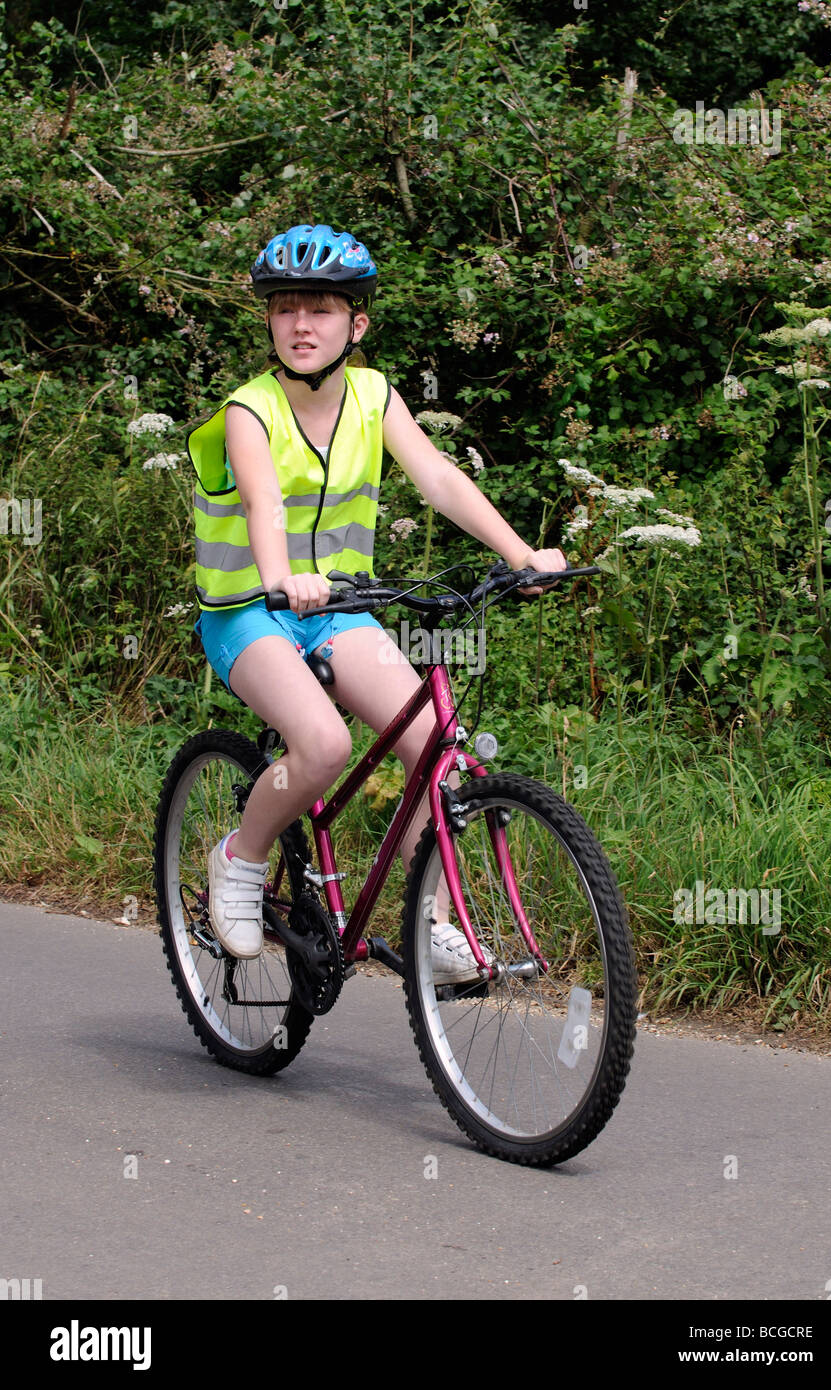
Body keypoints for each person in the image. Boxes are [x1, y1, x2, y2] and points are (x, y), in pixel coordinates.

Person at [187, 224, 565, 981]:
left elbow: (438, 478)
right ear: (268, 319)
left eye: (321, 309)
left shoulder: (373, 394)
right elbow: (264, 504)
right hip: (247, 610)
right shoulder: (247, 410)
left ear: (356, 325)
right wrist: (280, 575)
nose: (301, 325)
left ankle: (429, 924)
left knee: (438, 749)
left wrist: (520, 554)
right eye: (286, 308)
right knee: (322, 746)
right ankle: (241, 857)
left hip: (340, 607)